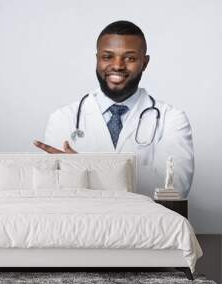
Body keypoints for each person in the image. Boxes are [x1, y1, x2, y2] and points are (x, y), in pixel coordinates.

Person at [33, 20, 194, 198]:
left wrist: (85, 171)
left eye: (130, 58)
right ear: (97, 59)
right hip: (82, 222)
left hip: (144, 224)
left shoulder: (171, 119)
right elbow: (54, 189)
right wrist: (119, 177)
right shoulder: (63, 118)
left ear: (145, 63)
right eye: (107, 57)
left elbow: (175, 188)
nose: (118, 65)